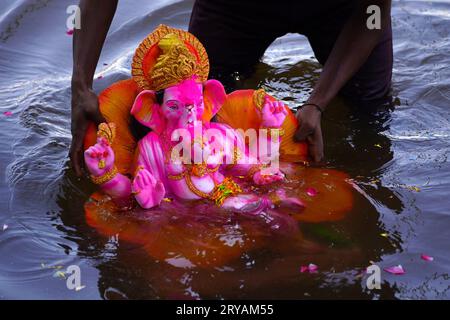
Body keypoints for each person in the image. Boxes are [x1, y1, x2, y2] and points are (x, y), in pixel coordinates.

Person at [70, 0, 393, 177]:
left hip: (343, 9)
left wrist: (318, 103)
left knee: (370, 116)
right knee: (195, 116)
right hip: (235, 8)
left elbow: (373, 12)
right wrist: (81, 85)